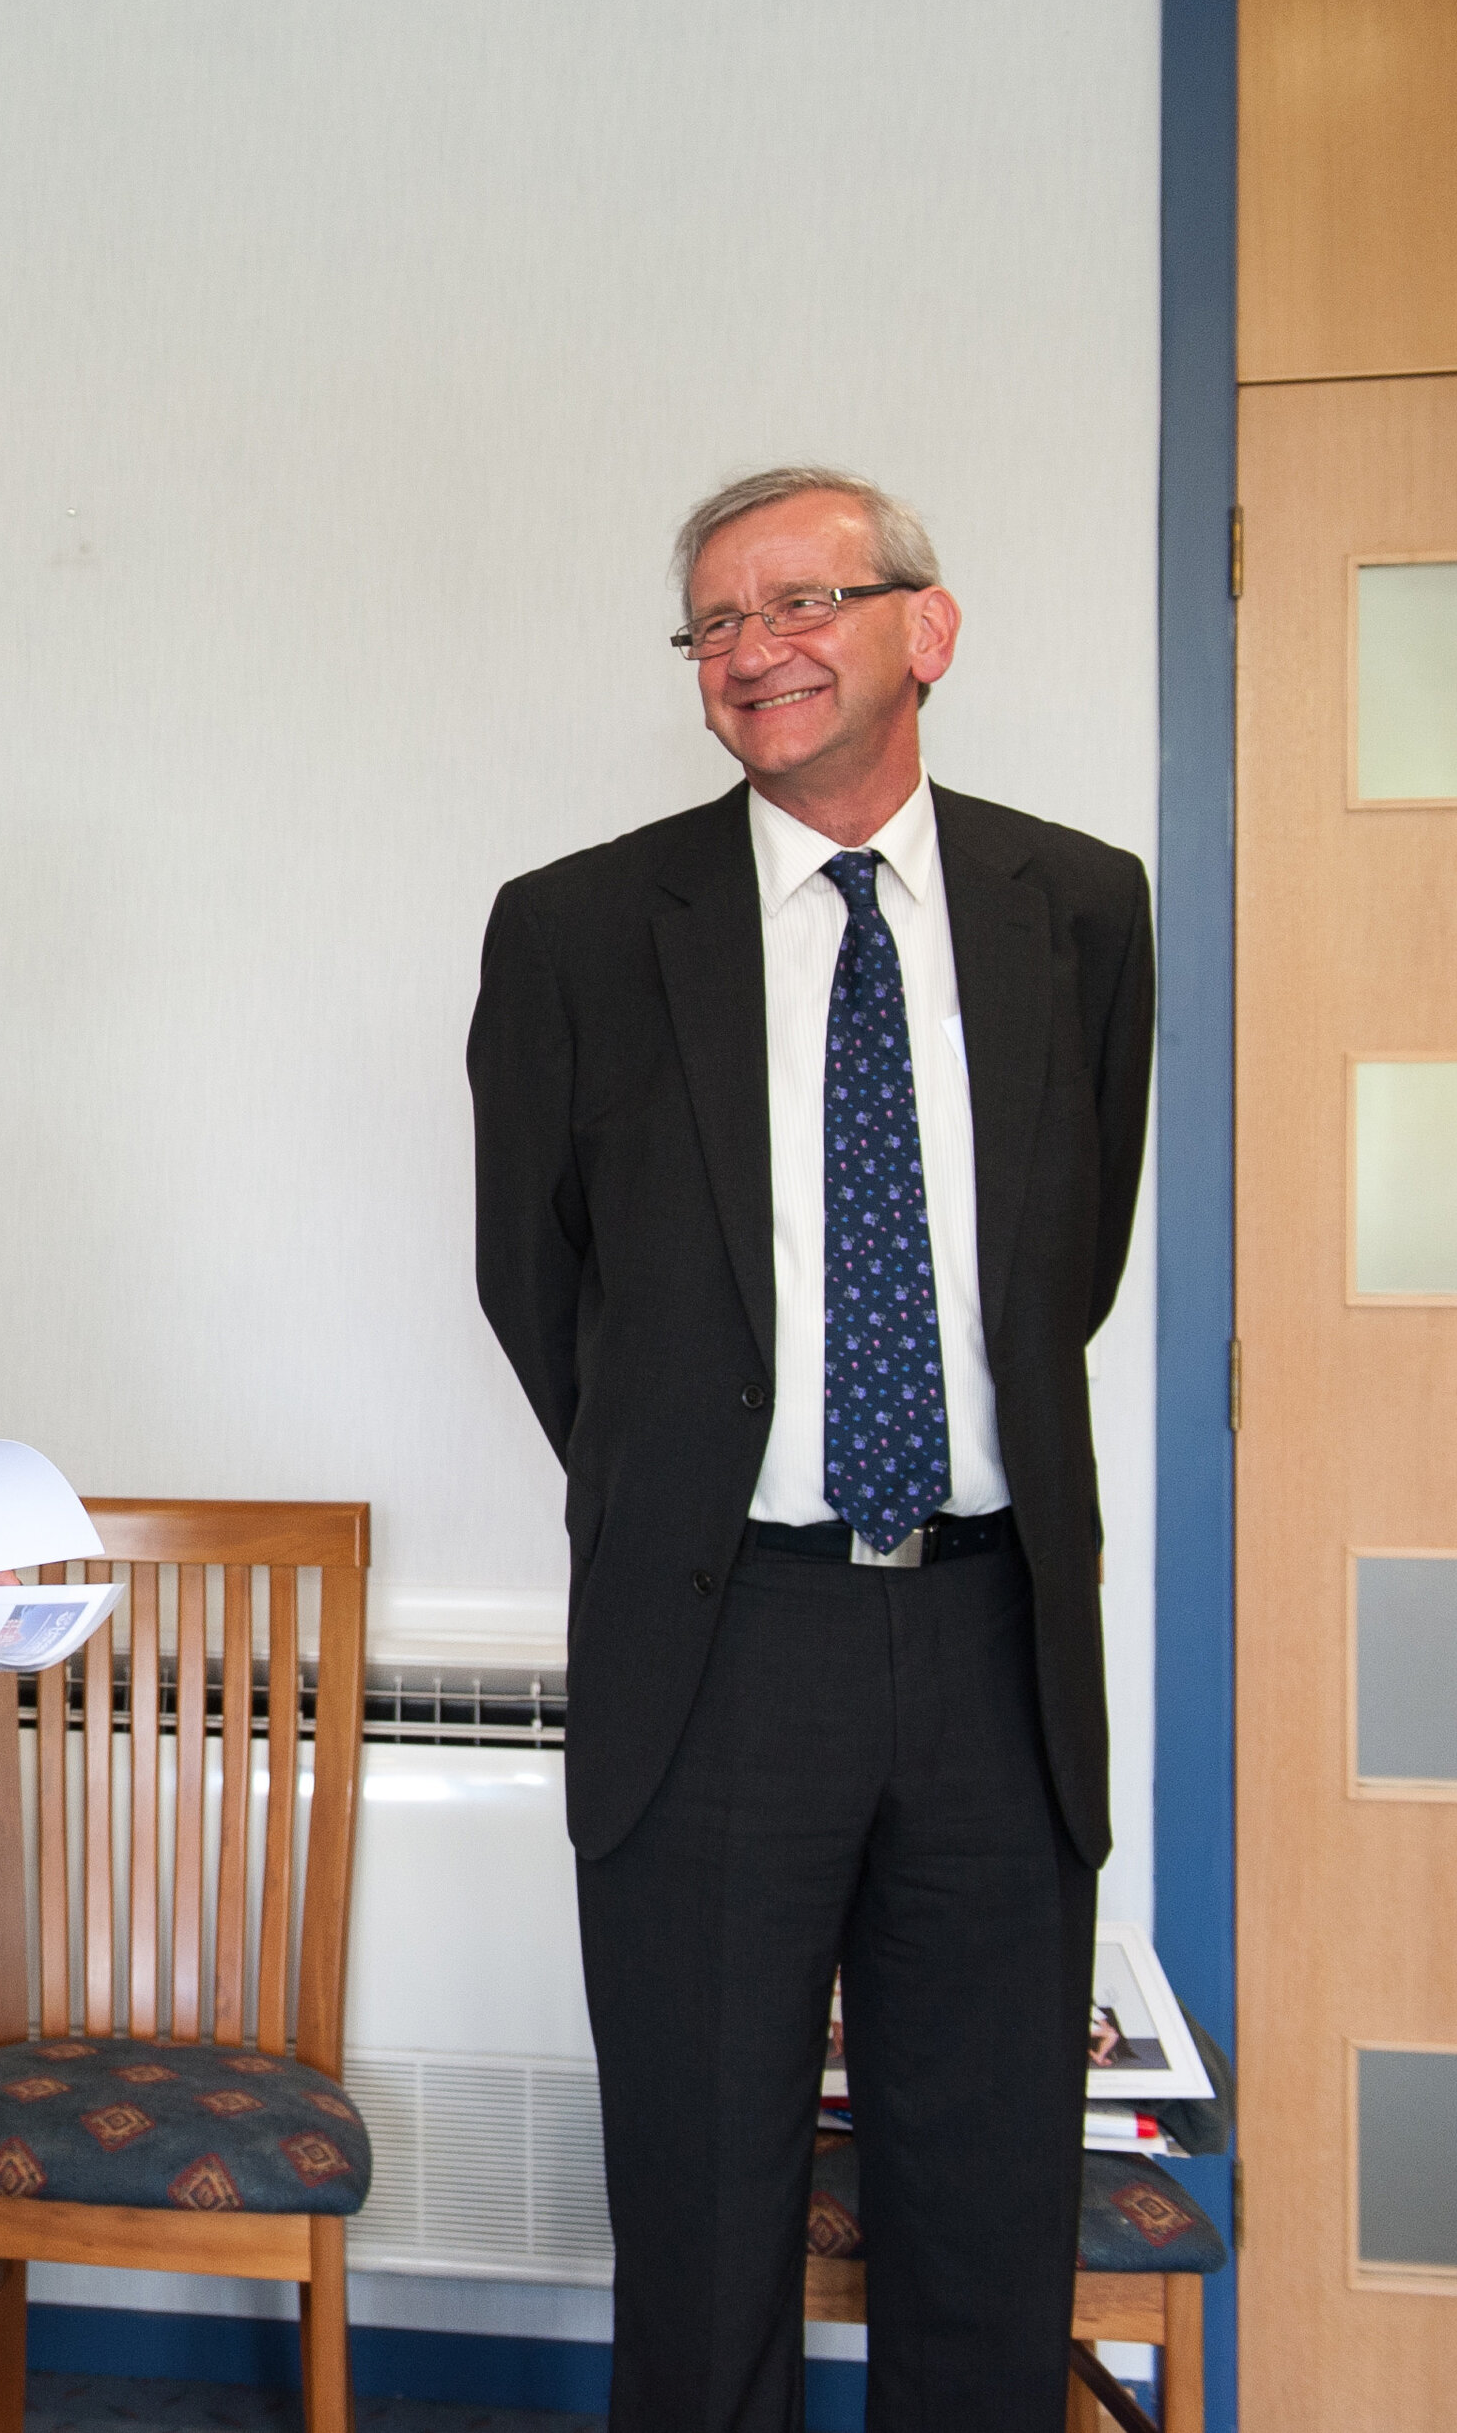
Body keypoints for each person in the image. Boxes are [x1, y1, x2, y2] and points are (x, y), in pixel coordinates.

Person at [467, 469, 1153, 2430]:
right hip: (721, 1643)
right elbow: (538, 1287)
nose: (750, 646)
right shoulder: (581, 929)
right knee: (700, 2215)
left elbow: (1060, 1265)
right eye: (710, 623)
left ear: (921, 629)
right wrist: (688, 1478)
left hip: (988, 1635)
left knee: (982, 2209)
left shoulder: (1076, 907)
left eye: (797, 601)